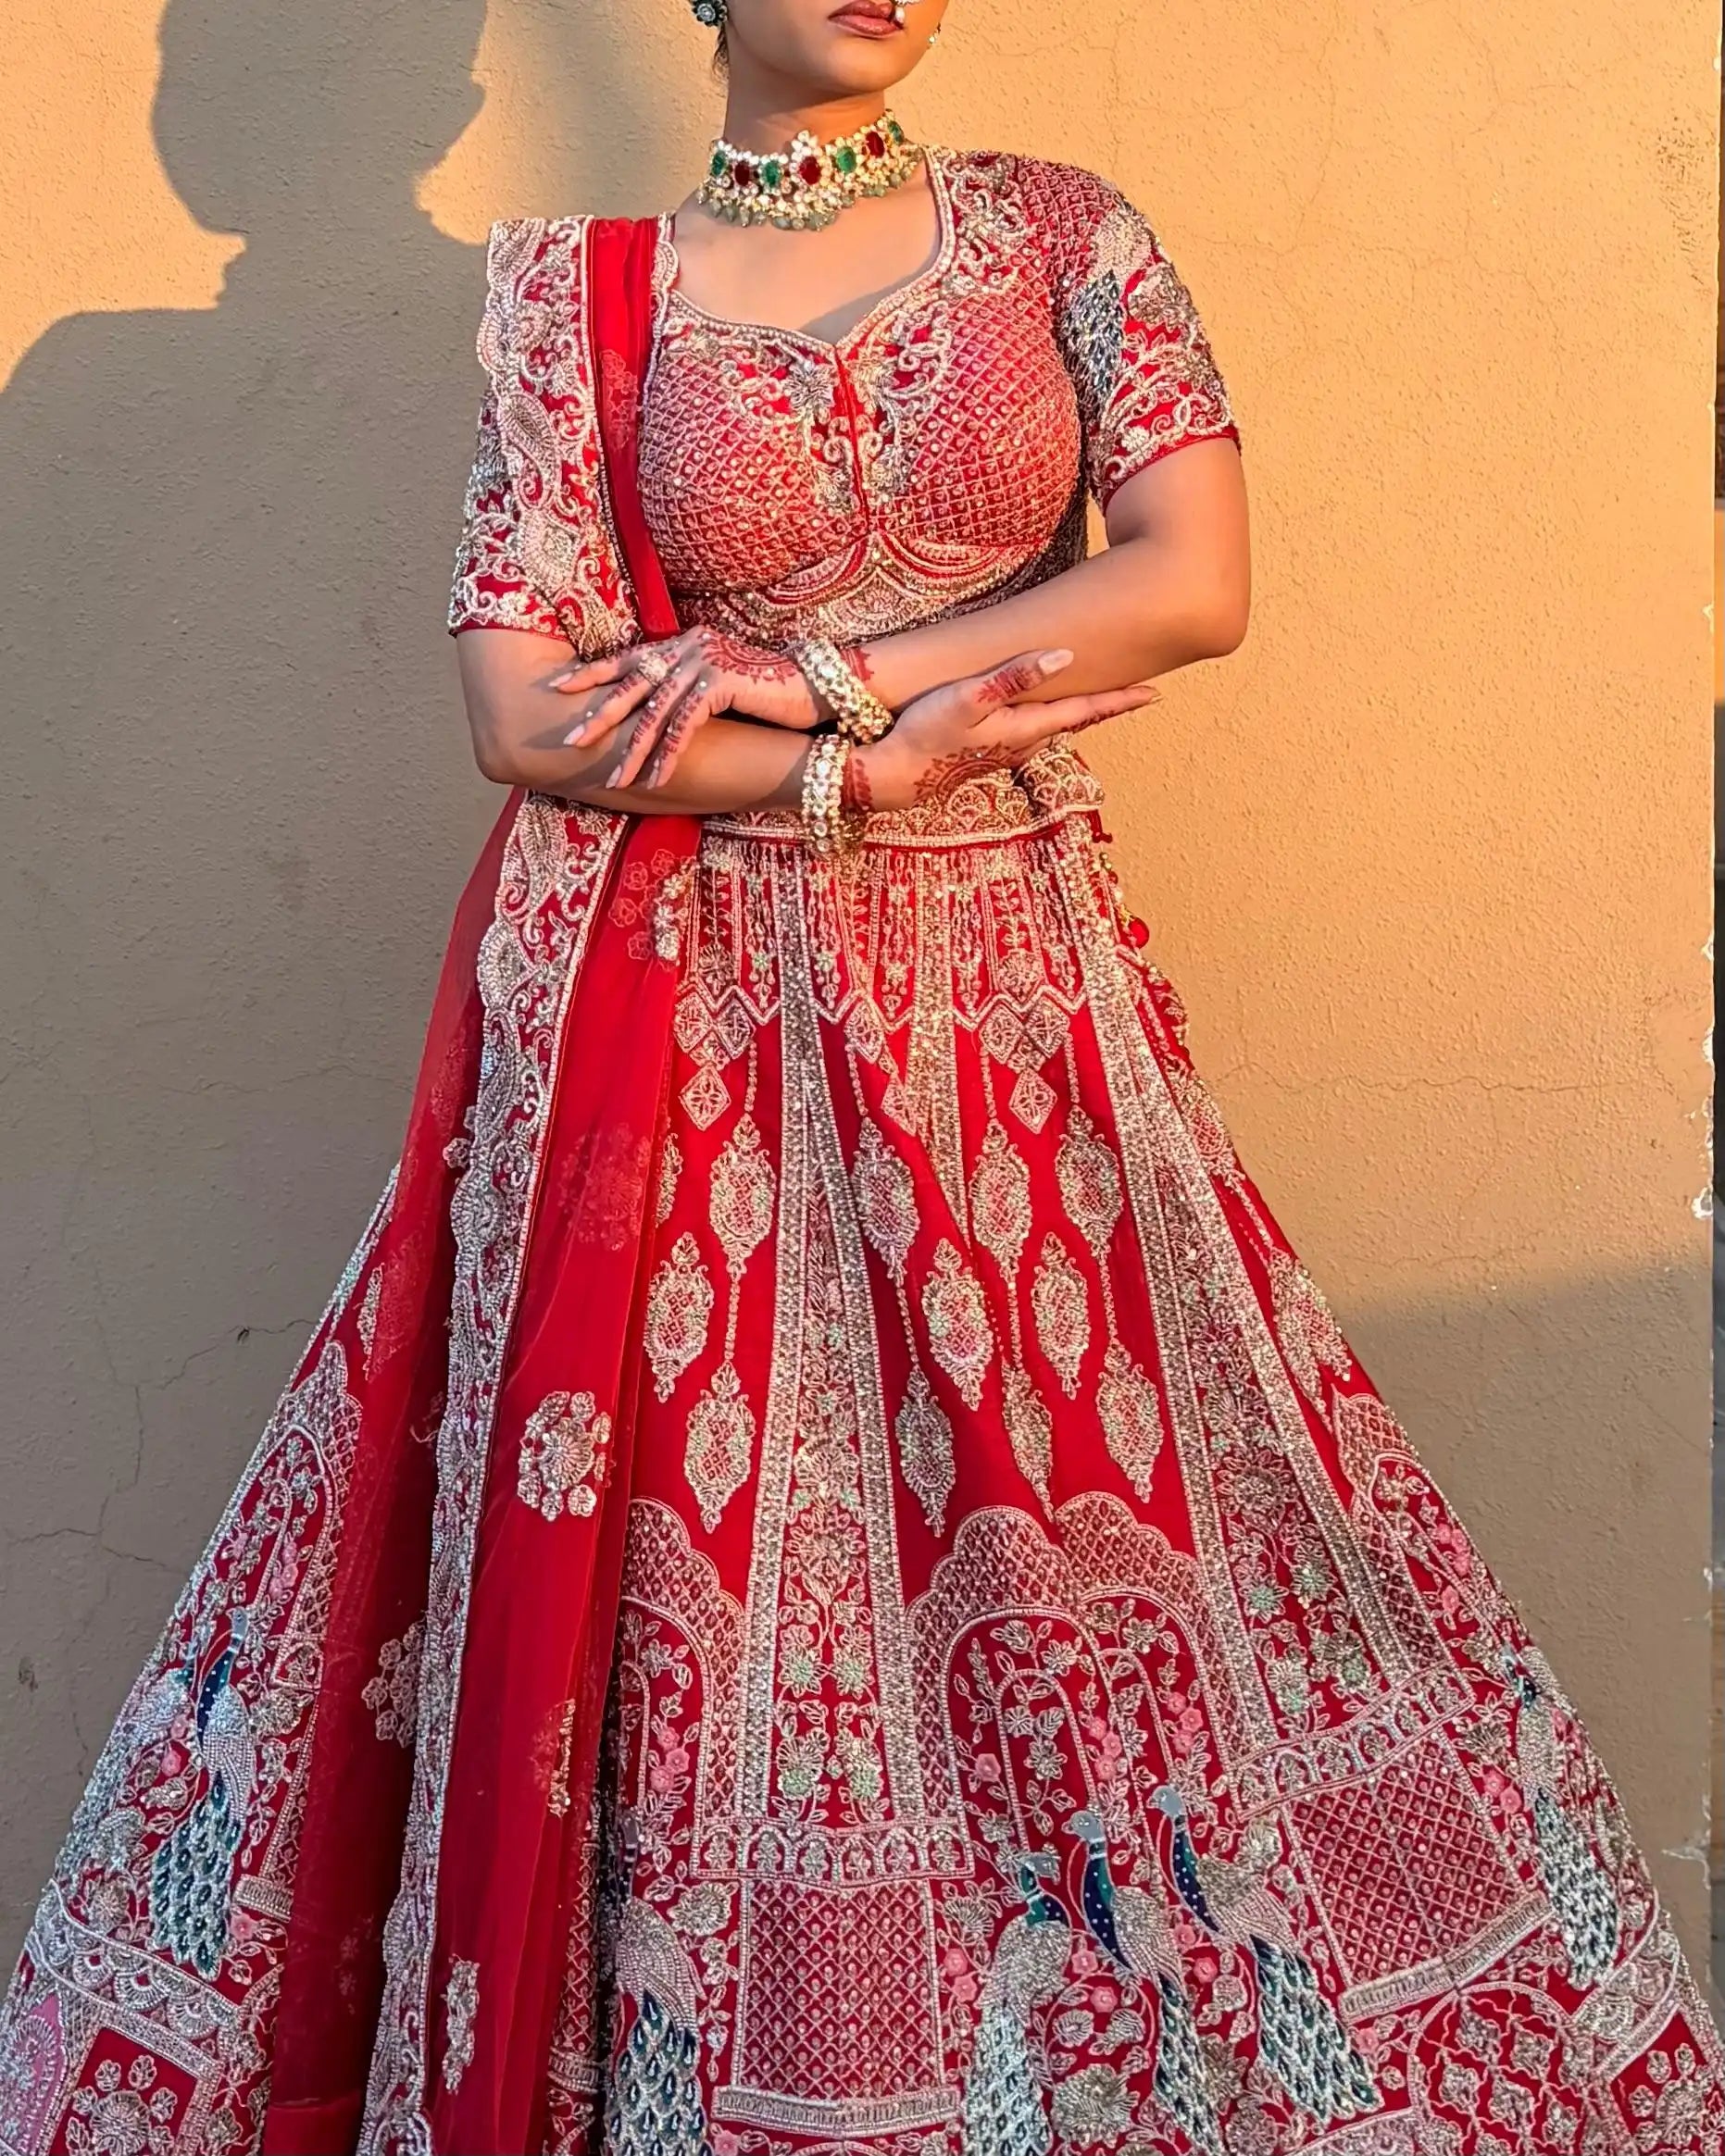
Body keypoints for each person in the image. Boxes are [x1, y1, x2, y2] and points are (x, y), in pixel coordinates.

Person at [2, 0, 1719, 2148]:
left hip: (1011, 1001)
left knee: (1075, 1541)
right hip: (680, 1013)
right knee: (703, 1565)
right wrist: (856, 771)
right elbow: (525, 717)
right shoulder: (572, 299)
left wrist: (811, 672)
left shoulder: (1059, 241)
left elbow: (1189, 582)